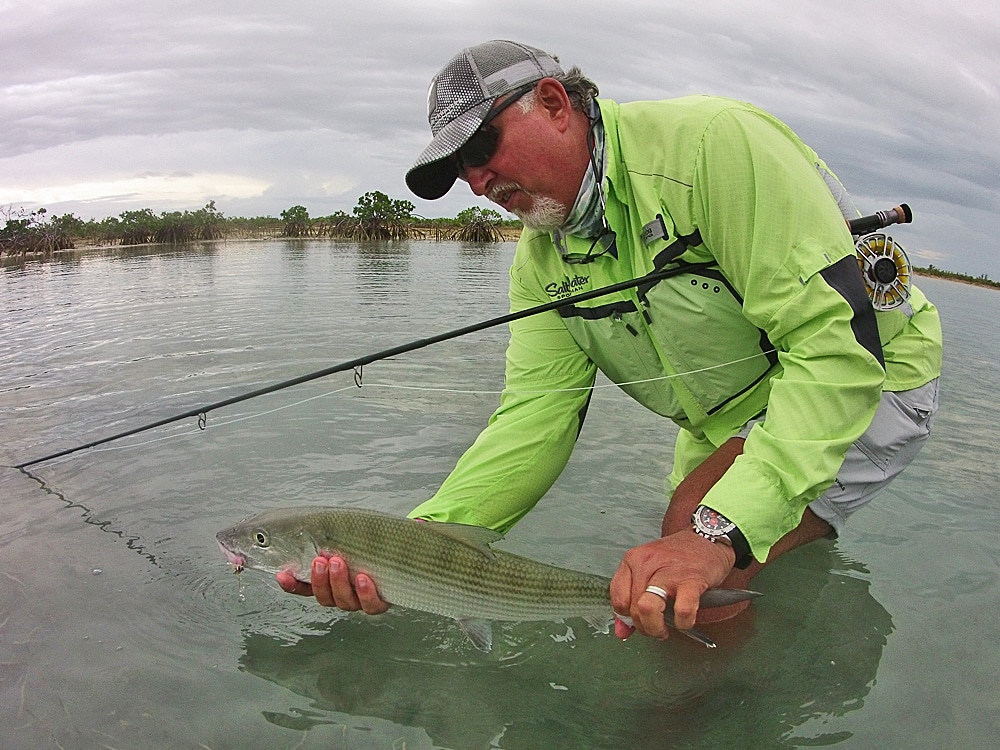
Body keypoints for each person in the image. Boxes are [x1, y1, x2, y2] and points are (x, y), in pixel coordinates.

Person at [279, 40, 942, 642]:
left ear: (553, 103)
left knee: (689, 540)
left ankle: (695, 721)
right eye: (459, 171)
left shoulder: (713, 147)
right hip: (730, 414)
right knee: (690, 566)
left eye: (481, 148)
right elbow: (534, 420)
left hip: (873, 373)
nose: (476, 183)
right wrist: (415, 548)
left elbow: (836, 350)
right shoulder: (540, 262)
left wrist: (721, 532)